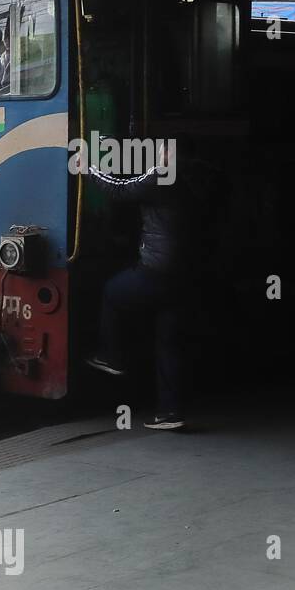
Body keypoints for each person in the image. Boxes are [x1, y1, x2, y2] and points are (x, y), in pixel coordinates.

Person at [82, 142, 192, 430]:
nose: (159, 153)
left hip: (157, 268)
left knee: (113, 292)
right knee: (168, 343)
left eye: (164, 150)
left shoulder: (161, 176)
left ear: (170, 156)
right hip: (182, 272)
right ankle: (171, 412)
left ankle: (111, 356)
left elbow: (119, 190)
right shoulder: (190, 178)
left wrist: (88, 168)